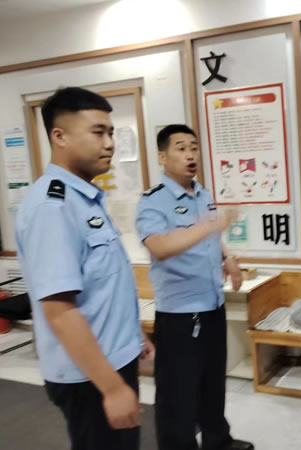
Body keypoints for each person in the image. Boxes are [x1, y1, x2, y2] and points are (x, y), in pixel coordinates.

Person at [16, 87, 154, 450]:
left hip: (109, 358)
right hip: (88, 374)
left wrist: (133, 336)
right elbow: (60, 311)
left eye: (111, 133)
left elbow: (101, 285)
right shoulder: (52, 207)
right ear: (59, 136)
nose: (109, 144)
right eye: (98, 132)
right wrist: (111, 388)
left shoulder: (84, 199)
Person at [135, 124, 253, 450]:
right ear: (162, 156)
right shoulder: (153, 201)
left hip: (212, 304)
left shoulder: (203, 194)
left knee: (212, 383)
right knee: (177, 395)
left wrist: (229, 257)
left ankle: (218, 441)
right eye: (181, 148)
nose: (190, 155)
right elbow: (159, 246)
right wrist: (208, 227)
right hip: (180, 315)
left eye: (194, 147)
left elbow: (212, 238)